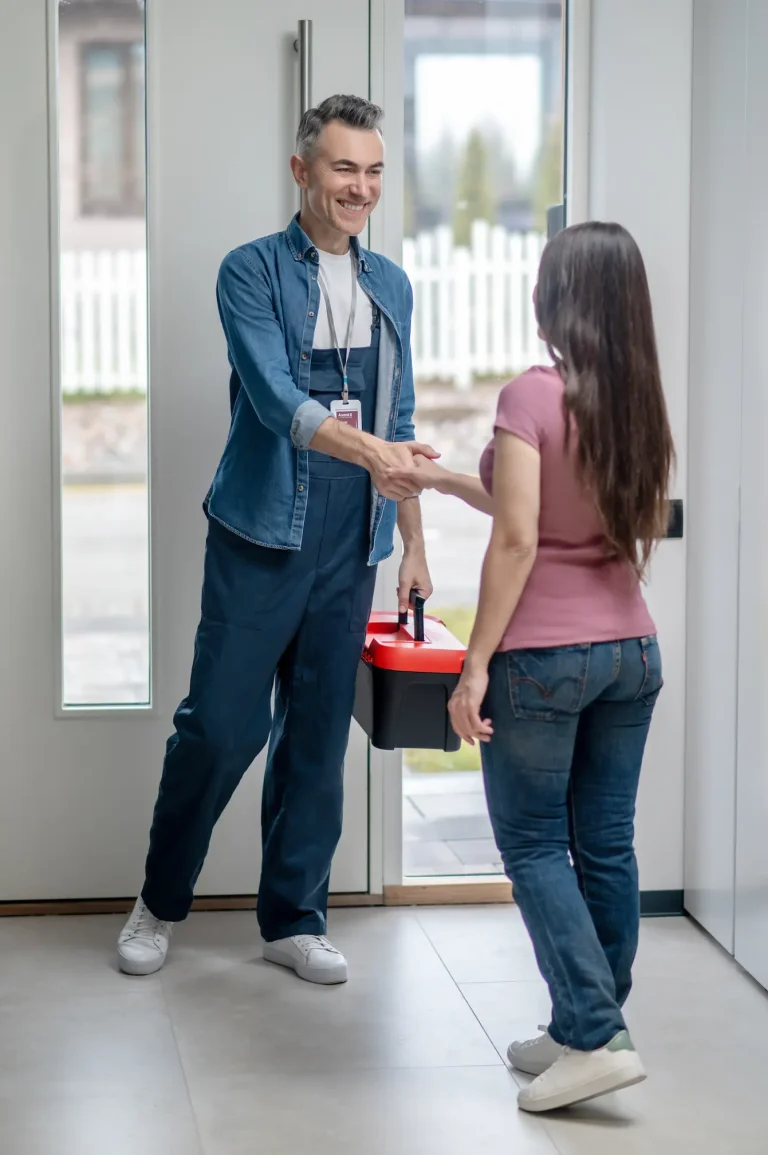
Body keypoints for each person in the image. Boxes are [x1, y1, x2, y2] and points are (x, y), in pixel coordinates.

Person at [117, 95, 435, 984]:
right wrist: (369, 447)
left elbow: (399, 420)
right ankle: (158, 900)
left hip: (353, 536)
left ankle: (294, 916)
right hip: (263, 527)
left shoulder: (393, 286)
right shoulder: (250, 271)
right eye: (343, 169)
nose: (360, 188)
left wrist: (410, 543)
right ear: (302, 171)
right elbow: (269, 395)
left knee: (316, 736)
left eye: (373, 171)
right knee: (218, 728)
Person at [411, 222, 674, 1112]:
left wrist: (474, 662)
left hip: (544, 659)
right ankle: (582, 1022)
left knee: (530, 842)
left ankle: (595, 1034)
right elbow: (558, 511)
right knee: (605, 842)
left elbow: (522, 537)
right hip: (630, 650)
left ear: (556, 298)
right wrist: (448, 480)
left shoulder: (531, 393)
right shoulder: (636, 400)